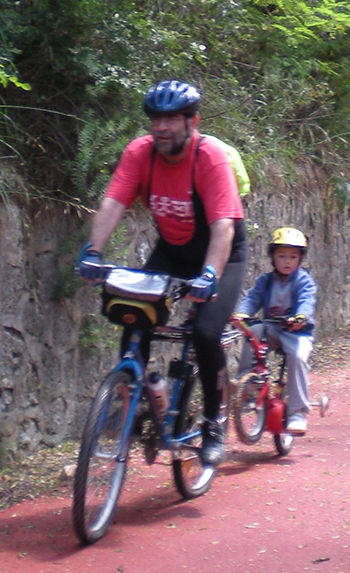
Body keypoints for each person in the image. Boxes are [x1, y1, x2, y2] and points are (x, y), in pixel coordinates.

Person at [76, 79, 248, 467]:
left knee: (205, 334)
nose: (162, 127)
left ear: (193, 121)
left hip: (223, 255)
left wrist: (208, 277)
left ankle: (213, 423)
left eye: (172, 119)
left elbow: (223, 226)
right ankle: (138, 400)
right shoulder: (139, 153)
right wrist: (93, 251)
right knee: (134, 318)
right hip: (172, 251)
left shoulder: (211, 158)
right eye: (156, 119)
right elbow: (113, 203)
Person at [234, 227, 317, 434]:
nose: (287, 261)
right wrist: (242, 313)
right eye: (281, 256)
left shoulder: (303, 281)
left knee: (298, 357)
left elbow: (307, 300)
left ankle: (298, 412)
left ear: (301, 258)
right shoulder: (266, 280)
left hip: (296, 332)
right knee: (253, 331)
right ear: (272, 256)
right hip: (272, 327)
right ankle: (248, 384)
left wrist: (301, 316)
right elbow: (252, 298)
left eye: (293, 256)